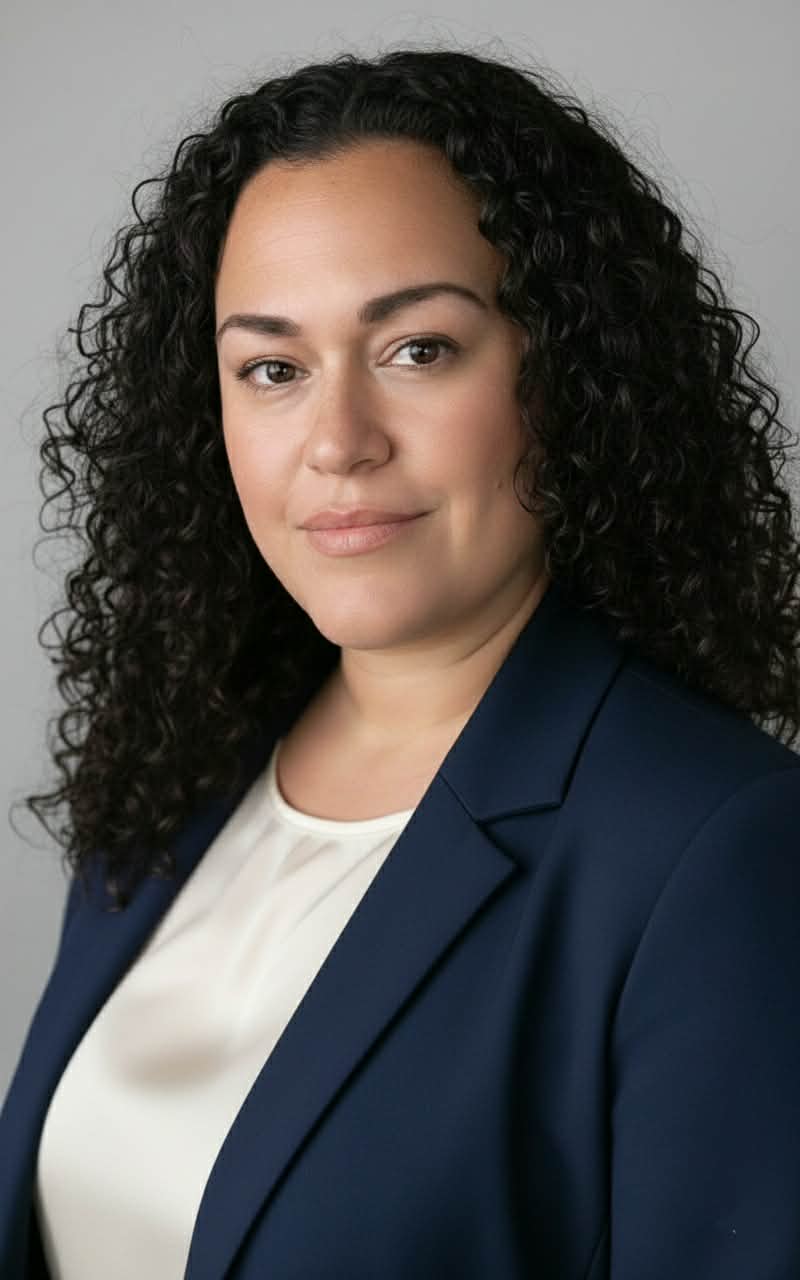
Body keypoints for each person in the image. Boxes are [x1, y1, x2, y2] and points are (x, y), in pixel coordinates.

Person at [1, 43, 799, 1280]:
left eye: (416, 349)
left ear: (567, 372)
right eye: (271, 368)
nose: (336, 442)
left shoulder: (715, 848)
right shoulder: (176, 778)